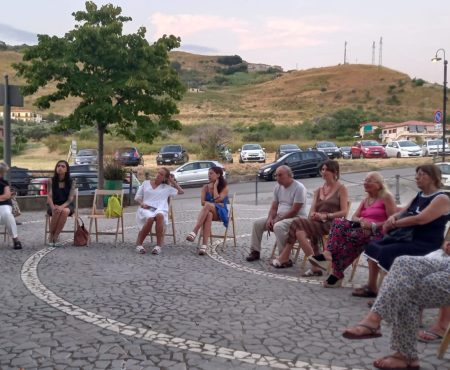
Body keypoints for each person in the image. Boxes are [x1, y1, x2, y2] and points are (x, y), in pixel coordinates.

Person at [342, 241, 450, 370]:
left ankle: (377, 325)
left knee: (407, 286)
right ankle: (404, 354)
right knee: (403, 263)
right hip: (444, 260)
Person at [352, 164, 450, 298]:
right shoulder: (419, 195)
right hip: (407, 237)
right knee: (373, 246)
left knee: (388, 252)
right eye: (417, 174)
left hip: (425, 242)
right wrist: (391, 219)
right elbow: (403, 212)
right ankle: (372, 287)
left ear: (433, 178)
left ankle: (386, 295)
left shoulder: (441, 198)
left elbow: (420, 219)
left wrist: (394, 224)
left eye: (421, 175)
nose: (417, 178)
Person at [309, 172, 397, 287]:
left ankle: (336, 273)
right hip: (361, 229)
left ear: (379, 184)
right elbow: (354, 216)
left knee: (345, 241)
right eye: (365, 180)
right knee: (338, 222)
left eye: (369, 181)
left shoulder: (386, 197)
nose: (365, 183)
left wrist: (372, 225)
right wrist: (361, 222)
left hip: (378, 231)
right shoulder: (366, 199)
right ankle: (328, 253)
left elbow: (392, 220)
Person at [274, 160, 348, 273]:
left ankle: (285, 256)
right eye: (322, 169)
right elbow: (313, 209)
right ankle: (315, 265)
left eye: (326, 169)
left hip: (332, 223)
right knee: (299, 232)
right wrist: (314, 215)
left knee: (297, 223)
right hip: (317, 222)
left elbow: (344, 211)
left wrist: (326, 215)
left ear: (334, 172)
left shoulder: (341, 188)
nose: (323, 172)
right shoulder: (318, 190)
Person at [245, 165, 307, 263]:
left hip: (297, 218)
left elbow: (294, 210)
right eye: (276, 175)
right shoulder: (278, 187)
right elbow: (274, 207)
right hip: (280, 217)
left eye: (280, 175)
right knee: (257, 224)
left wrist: (277, 220)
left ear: (289, 175)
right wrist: (270, 218)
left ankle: (285, 257)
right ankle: (255, 251)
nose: (277, 178)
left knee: (278, 226)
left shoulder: (299, 188)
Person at [135, 167, 184, 255]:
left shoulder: (166, 187)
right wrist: (142, 204)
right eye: (158, 173)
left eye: (161, 174)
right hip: (146, 207)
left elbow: (181, 191)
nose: (158, 175)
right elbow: (138, 197)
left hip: (160, 208)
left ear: (165, 178)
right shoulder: (146, 183)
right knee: (150, 218)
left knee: (160, 215)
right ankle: (139, 244)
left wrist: (172, 181)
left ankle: (158, 246)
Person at [186, 167, 229, 255]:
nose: (209, 175)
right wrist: (213, 203)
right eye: (208, 173)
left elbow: (217, 200)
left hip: (221, 212)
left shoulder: (225, 187)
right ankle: (204, 246)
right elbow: (202, 202)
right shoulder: (205, 187)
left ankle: (195, 230)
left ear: (218, 175)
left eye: (211, 173)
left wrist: (216, 186)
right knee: (208, 214)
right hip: (209, 210)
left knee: (208, 205)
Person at [46, 160, 76, 247]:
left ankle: (56, 235)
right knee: (56, 211)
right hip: (53, 203)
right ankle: (51, 235)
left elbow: (70, 199)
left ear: (67, 170)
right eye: (58, 166)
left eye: (63, 166)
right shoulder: (51, 181)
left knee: (65, 211)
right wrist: (53, 208)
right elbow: (49, 197)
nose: (60, 168)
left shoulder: (71, 182)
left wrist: (61, 207)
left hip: (67, 204)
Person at [0, 162, 22, 250]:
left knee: (7, 214)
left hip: (4, 204)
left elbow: (7, 196)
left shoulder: (4, 182)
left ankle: (15, 240)